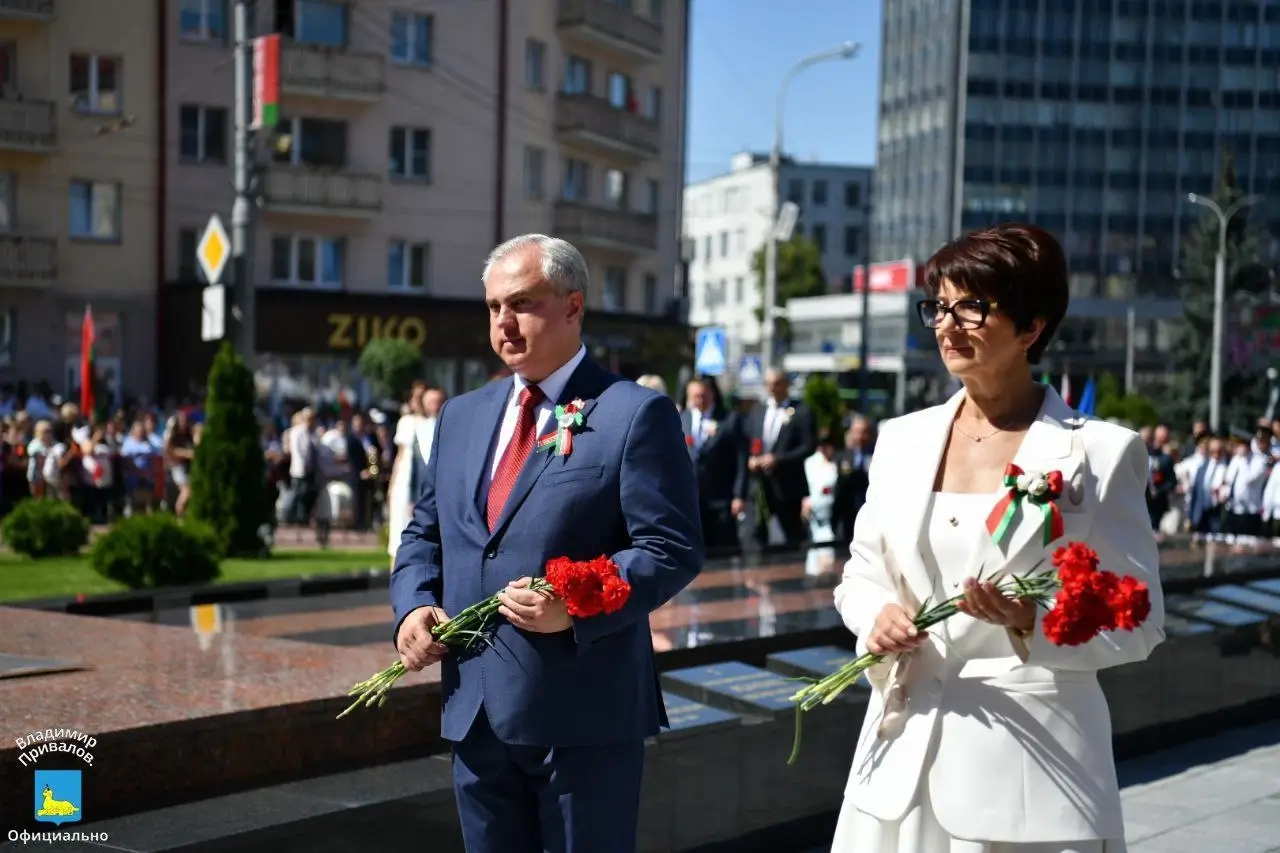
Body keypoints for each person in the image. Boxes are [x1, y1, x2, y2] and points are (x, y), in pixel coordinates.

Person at [829, 223, 1166, 853]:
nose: (948, 325)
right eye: (940, 307)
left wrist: (1029, 619)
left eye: (973, 307)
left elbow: (1139, 620)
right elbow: (862, 571)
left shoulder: (1099, 453)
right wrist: (876, 616)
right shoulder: (901, 440)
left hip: (1028, 781)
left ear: (1031, 328)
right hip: (898, 767)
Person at [390, 234, 704, 853]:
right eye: (492, 307)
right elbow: (426, 533)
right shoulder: (460, 416)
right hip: (474, 713)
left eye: (522, 303)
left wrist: (577, 603)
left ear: (572, 306)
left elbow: (671, 546)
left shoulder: (633, 414)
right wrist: (413, 605)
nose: (503, 323)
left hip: (582, 719)